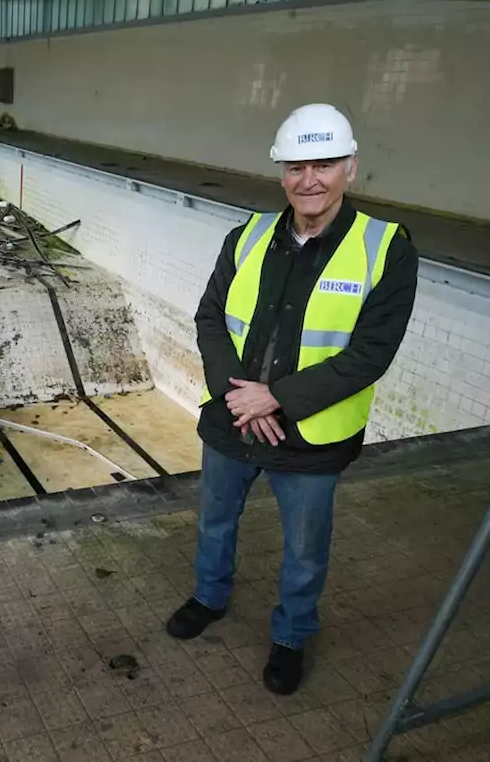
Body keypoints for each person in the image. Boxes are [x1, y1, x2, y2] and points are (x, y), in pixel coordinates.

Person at [164, 103, 419, 695]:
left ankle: (291, 635)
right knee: (215, 521)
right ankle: (209, 597)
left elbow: (369, 353)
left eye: (324, 164)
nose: (310, 179)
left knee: (305, 549)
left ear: (350, 168)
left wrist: (275, 398)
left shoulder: (386, 249)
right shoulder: (247, 236)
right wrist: (239, 398)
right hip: (232, 419)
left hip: (311, 435)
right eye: (297, 166)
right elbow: (210, 320)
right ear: (281, 172)